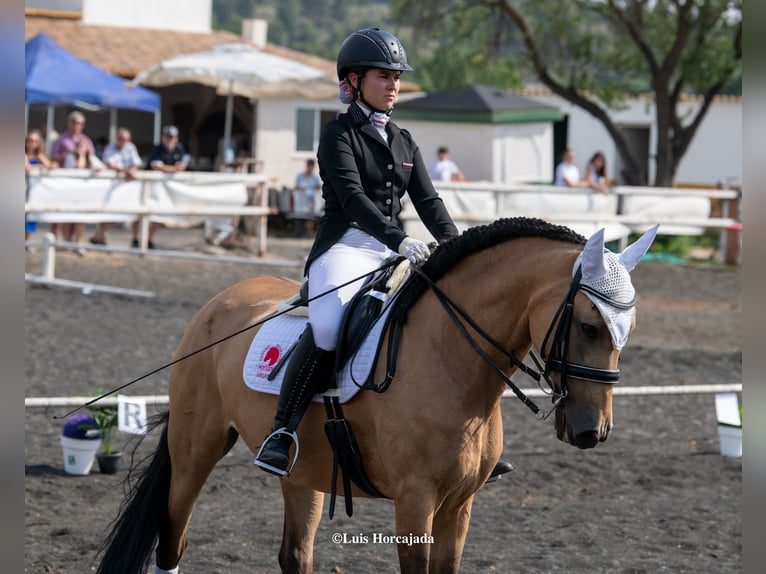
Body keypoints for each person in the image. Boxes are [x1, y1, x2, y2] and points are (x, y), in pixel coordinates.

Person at [254, 27, 513, 484]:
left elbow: (430, 203)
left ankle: (463, 437)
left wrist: (458, 250)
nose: (393, 85)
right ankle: (282, 431)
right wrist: (399, 239)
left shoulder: (404, 139)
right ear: (352, 81)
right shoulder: (338, 136)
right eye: (383, 76)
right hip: (346, 248)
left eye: (396, 77)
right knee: (330, 325)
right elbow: (354, 200)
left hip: (392, 250)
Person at [132, 125, 190, 249]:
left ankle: (149, 240)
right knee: (140, 213)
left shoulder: (179, 149)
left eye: (173, 137)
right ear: (163, 137)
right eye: (168, 136)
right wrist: (174, 169)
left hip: (164, 189)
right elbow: (155, 166)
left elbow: (184, 162)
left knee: (159, 214)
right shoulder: (157, 149)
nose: (170, 139)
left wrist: (178, 168)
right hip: (149, 187)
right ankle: (135, 239)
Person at [90, 127, 143, 246]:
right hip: (114, 188)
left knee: (137, 213)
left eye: (125, 139)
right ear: (116, 139)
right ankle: (100, 236)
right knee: (113, 213)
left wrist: (130, 171)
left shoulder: (131, 148)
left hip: (130, 188)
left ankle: (134, 239)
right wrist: (127, 171)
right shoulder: (110, 148)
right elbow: (110, 164)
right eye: (120, 139)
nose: (123, 141)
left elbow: (136, 163)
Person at [25, 130, 55, 244]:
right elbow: (27, 168)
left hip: (34, 191)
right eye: (29, 140)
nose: (31, 143)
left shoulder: (39, 155)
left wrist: (43, 165)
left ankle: (26, 243)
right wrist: (42, 166)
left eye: (33, 141)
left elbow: (49, 166)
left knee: (31, 219)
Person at [292, 158, 322, 236]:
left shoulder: (315, 178)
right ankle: (299, 232)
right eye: (309, 166)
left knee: (311, 214)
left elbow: (318, 190)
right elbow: (297, 188)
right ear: (307, 166)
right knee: (301, 213)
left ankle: (309, 232)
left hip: (312, 203)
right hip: (301, 202)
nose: (310, 168)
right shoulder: (300, 176)